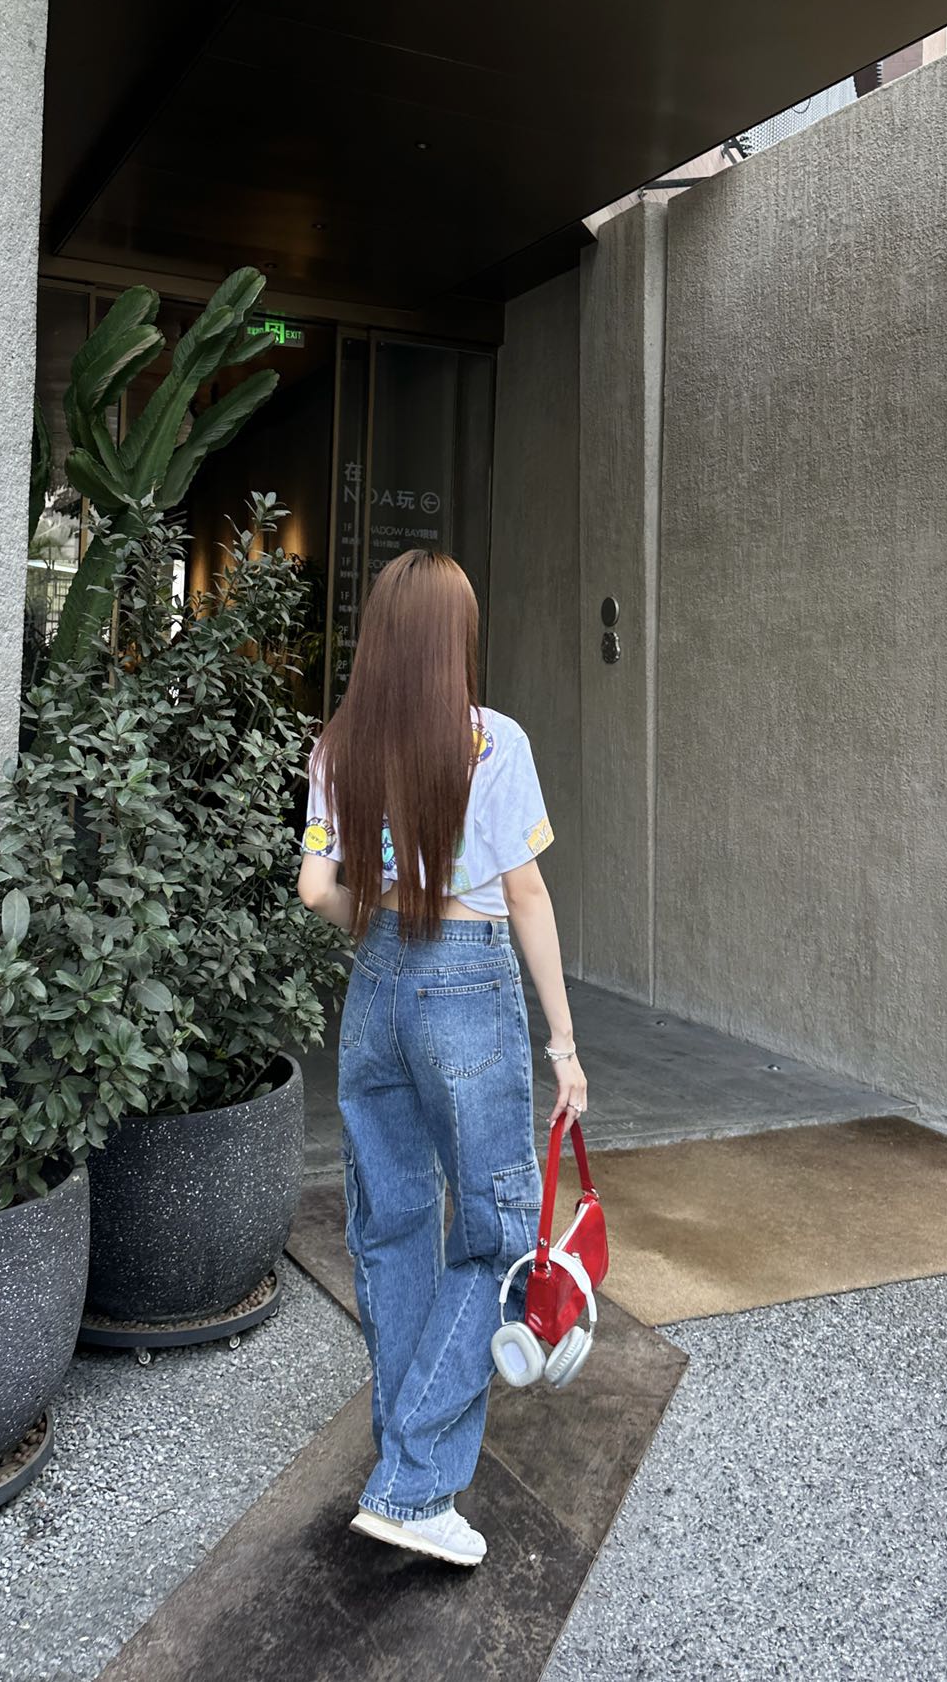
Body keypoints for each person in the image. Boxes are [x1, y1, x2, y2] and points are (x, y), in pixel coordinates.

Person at [297, 548, 586, 1569]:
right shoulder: (492, 740)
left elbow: (314, 888)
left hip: (375, 979)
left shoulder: (338, 744)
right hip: (466, 978)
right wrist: (563, 1041)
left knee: (391, 1226)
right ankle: (413, 1483)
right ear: (452, 639)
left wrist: (377, 920)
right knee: (502, 1233)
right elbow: (526, 895)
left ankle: (404, 1466)